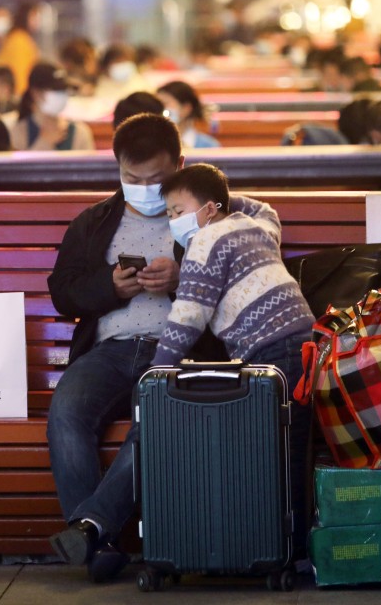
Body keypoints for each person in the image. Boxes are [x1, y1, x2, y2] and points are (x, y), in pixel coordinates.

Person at [45, 114, 282, 582]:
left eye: (155, 179)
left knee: (158, 419)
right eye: (131, 179)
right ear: (117, 169)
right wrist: (109, 287)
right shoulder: (94, 222)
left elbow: (258, 248)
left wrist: (183, 276)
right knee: (66, 412)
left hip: (183, 352)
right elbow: (63, 292)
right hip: (110, 350)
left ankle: (90, 531)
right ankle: (98, 540)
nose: (143, 189)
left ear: (179, 164)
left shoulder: (212, 216)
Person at [154, 163, 315, 559]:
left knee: (273, 455)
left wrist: (155, 372)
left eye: (178, 210)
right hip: (305, 342)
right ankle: (297, 549)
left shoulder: (204, 242)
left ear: (208, 209)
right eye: (169, 213)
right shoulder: (253, 226)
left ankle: (280, 552)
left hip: (268, 351)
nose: (174, 220)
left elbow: (188, 316)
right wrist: (221, 198)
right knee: (294, 450)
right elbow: (266, 209)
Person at [10, 61, 94, 151]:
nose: (62, 95)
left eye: (64, 90)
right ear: (36, 93)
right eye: (56, 90)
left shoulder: (79, 133)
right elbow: (16, 159)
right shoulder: (17, 131)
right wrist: (44, 142)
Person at [0, 0, 41, 95]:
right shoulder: (19, 39)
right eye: (34, 16)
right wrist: (22, 97)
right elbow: (20, 73)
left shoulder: (18, 37)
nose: (37, 21)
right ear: (25, 16)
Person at [156, 80, 220, 148]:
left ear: (186, 108)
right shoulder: (154, 144)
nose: (159, 109)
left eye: (165, 103)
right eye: (157, 104)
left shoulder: (209, 146)